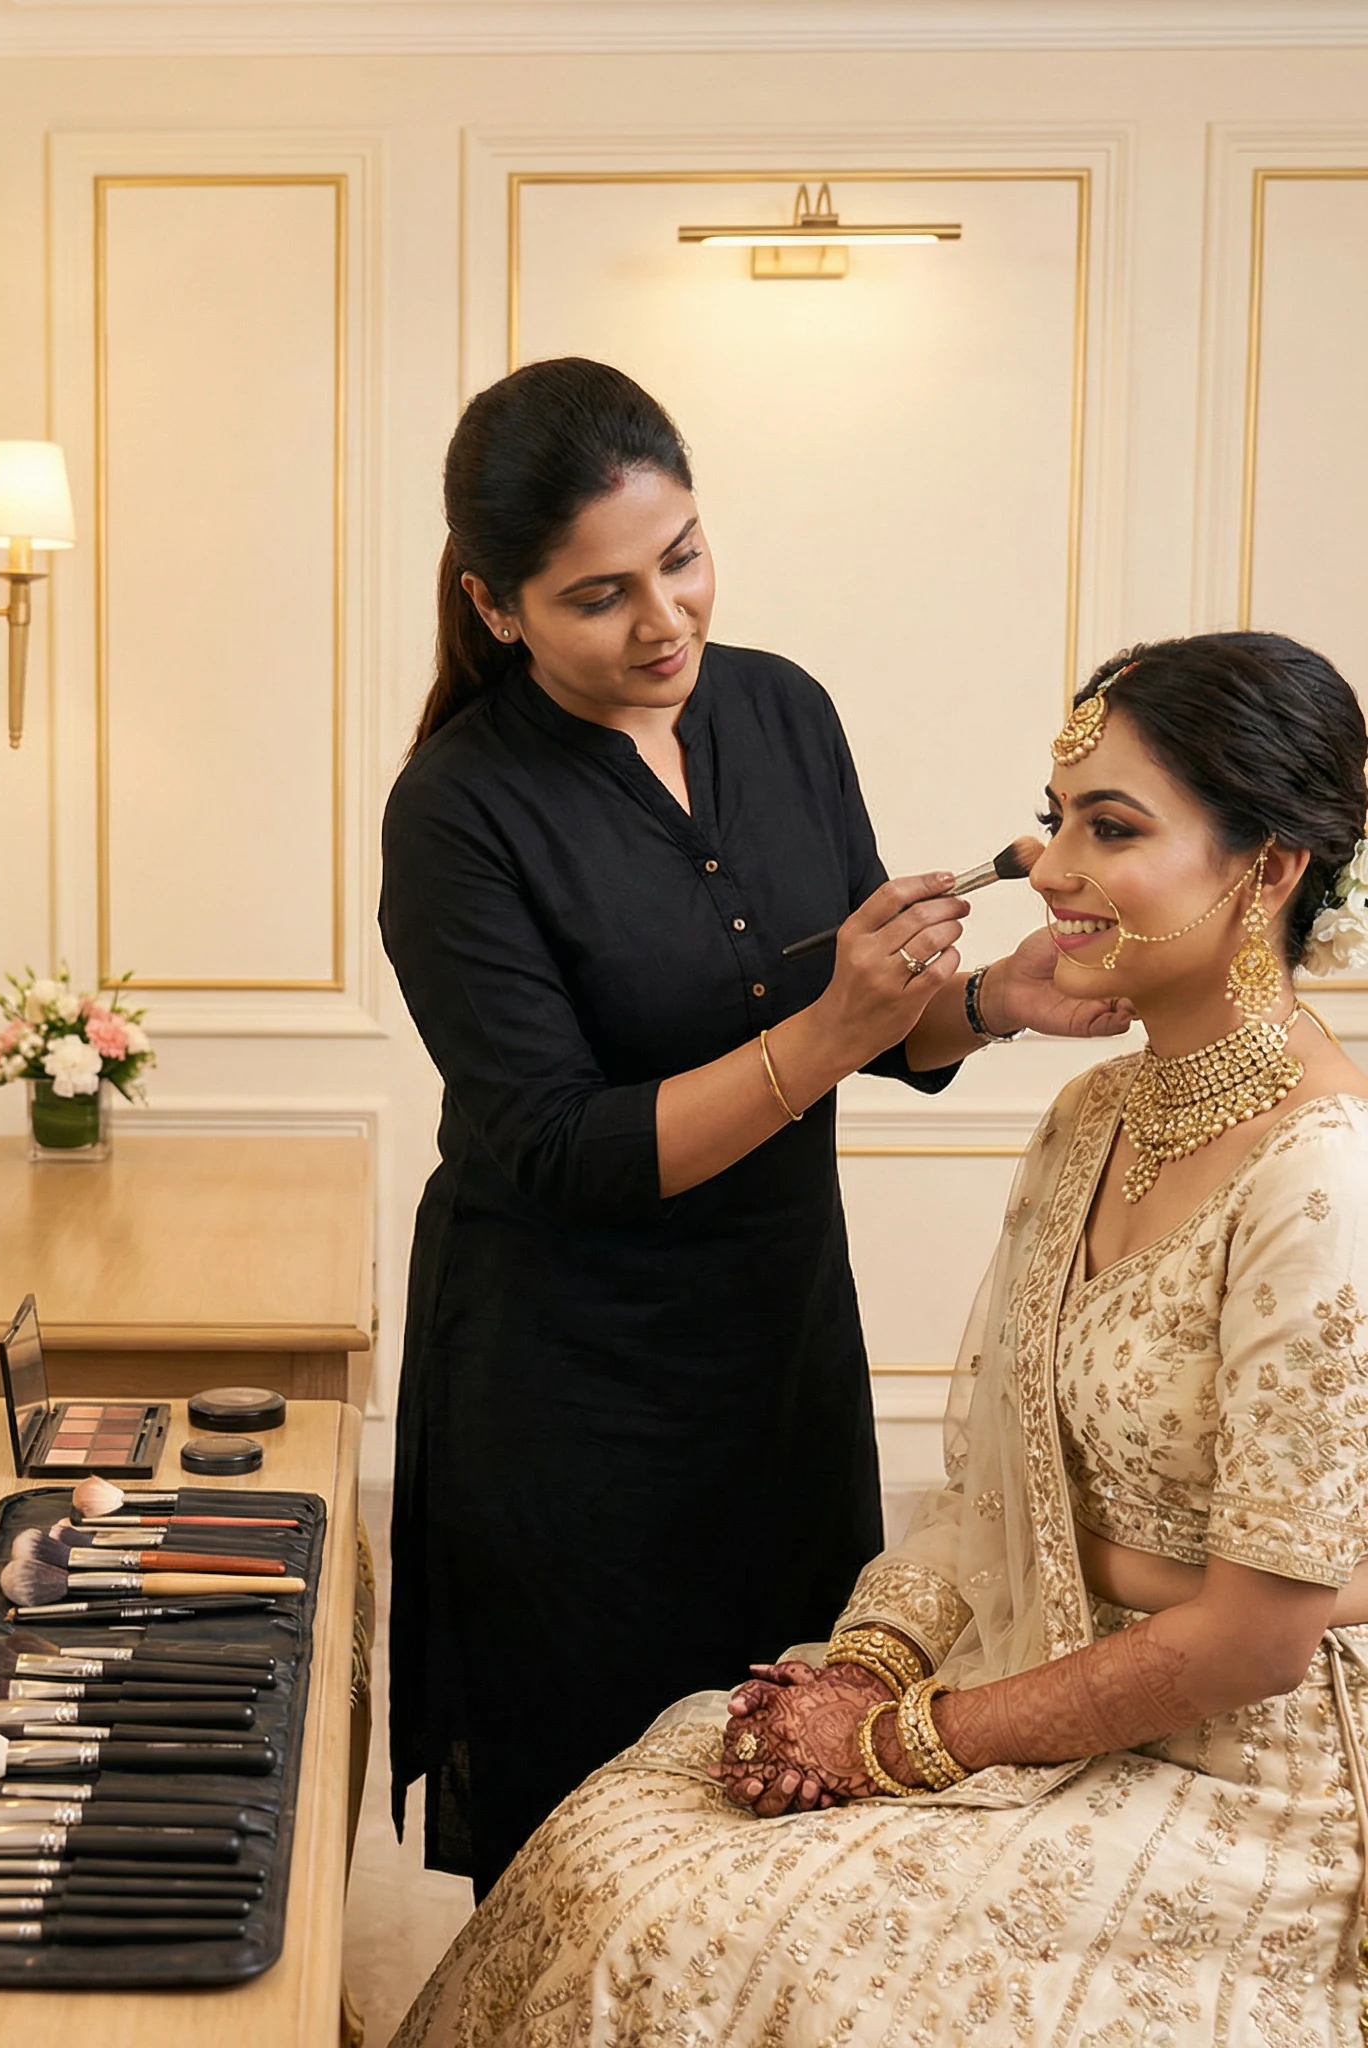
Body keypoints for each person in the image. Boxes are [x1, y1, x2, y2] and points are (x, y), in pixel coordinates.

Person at [393, 628, 1368, 2044]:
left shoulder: (1321, 1187)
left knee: (725, 1953)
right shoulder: (1093, 1120)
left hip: (1239, 1769)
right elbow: (987, 1494)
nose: (1046, 867)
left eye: (1113, 827)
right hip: (1036, 1664)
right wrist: (864, 1667)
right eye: (1054, 822)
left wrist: (904, 1739)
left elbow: (1257, 1644)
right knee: (622, 1839)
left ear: (1269, 867)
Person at [378, 357, 1130, 1901]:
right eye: (600, 595)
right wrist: (841, 1027)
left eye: (684, 556)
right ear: (496, 606)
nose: (666, 620)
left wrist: (990, 1001)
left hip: (777, 1340)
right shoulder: (455, 811)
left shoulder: (783, 709)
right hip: (570, 1385)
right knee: (577, 1825)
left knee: (784, 1781)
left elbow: (866, 1001)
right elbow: (564, 1148)